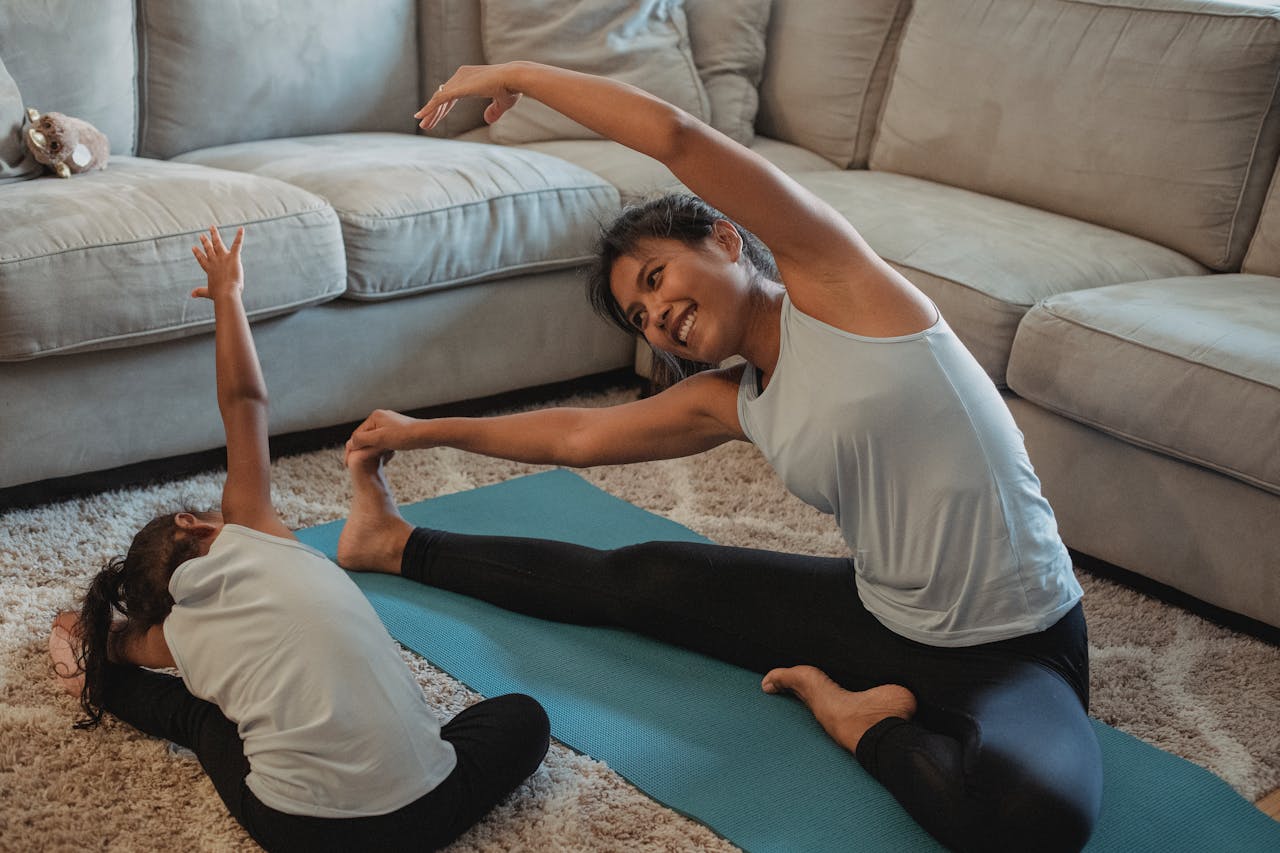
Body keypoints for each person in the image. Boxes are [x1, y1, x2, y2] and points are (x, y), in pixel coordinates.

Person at [342, 62, 1103, 852]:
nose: (657, 314)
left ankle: (857, 720)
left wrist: (515, 73)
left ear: (728, 238)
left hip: (1017, 646)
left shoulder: (842, 290)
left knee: (1036, 821)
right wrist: (422, 430)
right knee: (645, 577)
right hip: (880, 620)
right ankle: (397, 544)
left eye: (657, 276)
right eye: (639, 314)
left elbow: (676, 137)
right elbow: (574, 436)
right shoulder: (733, 396)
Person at [48, 226, 549, 853]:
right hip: (430, 810)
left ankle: (89, 678)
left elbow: (125, 647)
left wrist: (87, 635)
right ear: (196, 524)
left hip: (306, 836)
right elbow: (244, 403)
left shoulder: (169, 638)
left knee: (198, 715)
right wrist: (228, 295)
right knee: (525, 716)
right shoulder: (254, 531)